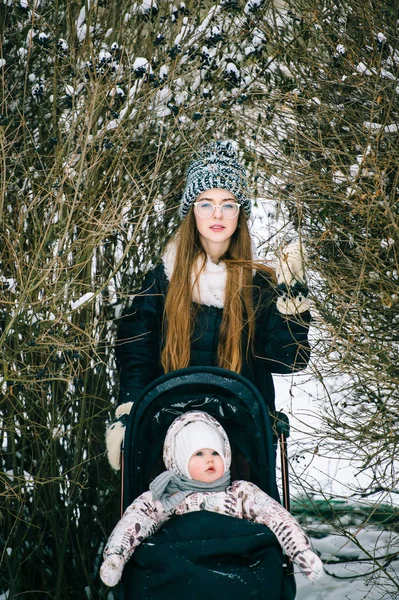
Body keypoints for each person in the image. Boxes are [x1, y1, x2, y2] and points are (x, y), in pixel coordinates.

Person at [106, 140, 311, 470]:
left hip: (242, 435)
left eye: (228, 204)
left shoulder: (260, 285)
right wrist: (128, 410)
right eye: (205, 204)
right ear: (192, 211)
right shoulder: (162, 280)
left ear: (239, 213)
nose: (217, 214)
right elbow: (136, 350)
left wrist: (292, 303)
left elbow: (288, 361)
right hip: (169, 431)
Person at [100, 411, 323, 587]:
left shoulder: (240, 493)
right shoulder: (164, 496)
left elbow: (276, 517)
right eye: (199, 453)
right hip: (180, 569)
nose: (210, 459)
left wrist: (300, 551)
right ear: (178, 460)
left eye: (215, 453)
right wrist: (115, 557)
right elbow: (132, 525)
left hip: (236, 566)